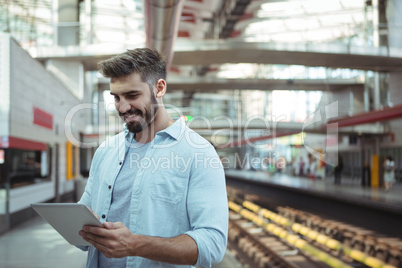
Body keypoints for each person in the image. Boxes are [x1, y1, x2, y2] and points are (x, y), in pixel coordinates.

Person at [77, 48, 228, 267]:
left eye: (132, 95)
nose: (123, 107)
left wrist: (136, 245)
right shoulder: (105, 151)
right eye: (116, 97)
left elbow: (212, 244)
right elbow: (84, 219)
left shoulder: (199, 153)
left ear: (159, 88)